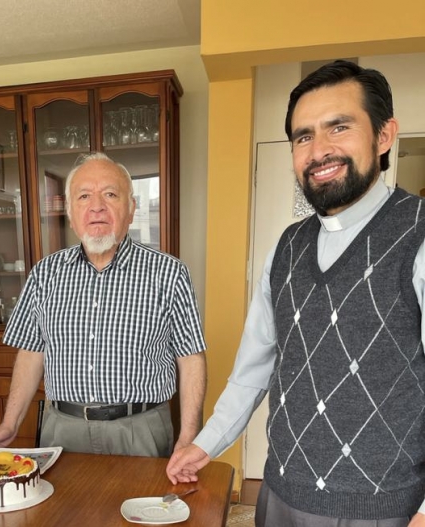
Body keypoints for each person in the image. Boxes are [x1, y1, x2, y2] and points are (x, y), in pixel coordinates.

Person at [167, 60, 425, 527]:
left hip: (384, 511)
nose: (318, 150)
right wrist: (204, 444)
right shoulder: (286, 248)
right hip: (280, 496)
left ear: (384, 136)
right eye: (303, 136)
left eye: (339, 127)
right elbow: (253, 370)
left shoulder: (418, 235)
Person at [0, 152, 207, 457]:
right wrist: (10, 422)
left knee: (140, 506)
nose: (97, 206)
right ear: (71, 212)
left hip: (140, 430)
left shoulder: (169, 273)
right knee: (61, 507)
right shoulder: (45, 273)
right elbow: (32, 352)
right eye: (84, 196)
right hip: (61, 429)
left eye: (110, 194)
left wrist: (190, 434)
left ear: (131, 208)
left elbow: (190, 357)